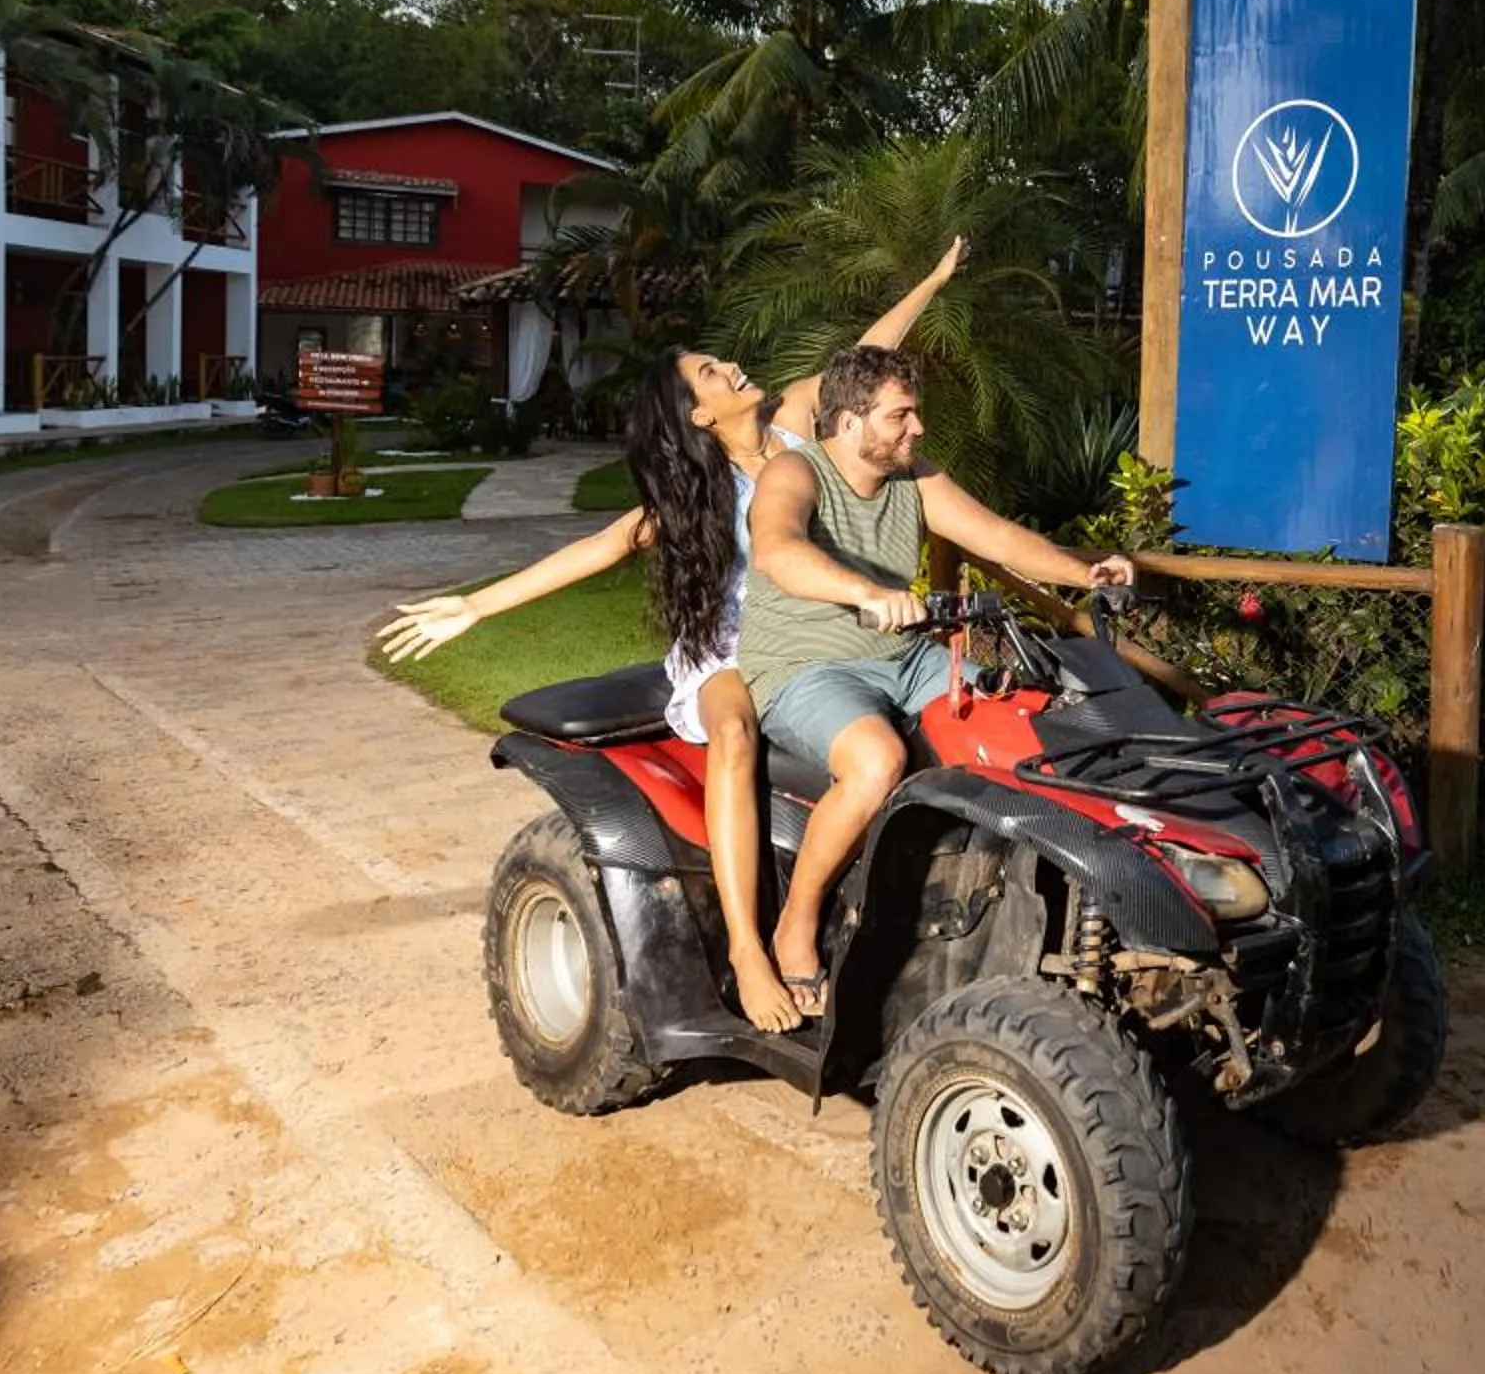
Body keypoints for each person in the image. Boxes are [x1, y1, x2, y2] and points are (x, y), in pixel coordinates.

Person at [378, 241, 966, 1032]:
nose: (731, 369)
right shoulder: (705, 493)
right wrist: (476, 607)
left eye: (723, 362)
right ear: (698, 414)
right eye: (711, 375)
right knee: (732, 731)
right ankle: (752, 953)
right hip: (730, 645)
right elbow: (602, 547)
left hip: (819, 634)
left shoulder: (800, 432)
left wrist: (928, 281)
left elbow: (870, 357)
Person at [740, 345, 1134, 1017]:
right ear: (850, 425)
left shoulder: (911, 477)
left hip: (906, 658)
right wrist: (864, 590)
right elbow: (779, 549)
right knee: (875, 761)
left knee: (1033, 722)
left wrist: (1083, 573)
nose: (916, 428)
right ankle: (795, 927)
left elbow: (998, 537)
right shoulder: (795, 470)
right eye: (901, 415)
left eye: (914, 413)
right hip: (803, 667)